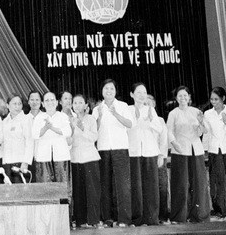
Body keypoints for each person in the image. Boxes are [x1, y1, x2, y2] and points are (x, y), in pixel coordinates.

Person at [92, 80, 134, 227]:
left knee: (123, 185)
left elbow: (130, 124)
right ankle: (107, 218)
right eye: (106, 88)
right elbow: (94, 131)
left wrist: (116, 114)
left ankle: (124, 218)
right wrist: (100, 117)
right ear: (102, 91)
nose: (108, 91)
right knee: (105, 185)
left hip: (120, 148)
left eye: (111, 88)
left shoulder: (122, 106)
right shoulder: (97, 109)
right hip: (103, 149)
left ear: (115, 91)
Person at [167, 86, 209, 223]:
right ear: (176, 98)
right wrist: (175, 144)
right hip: (180, 151)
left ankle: (199, 215)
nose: (183, 98)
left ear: (189, 97)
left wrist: (201, 122)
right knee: (181, 184)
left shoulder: (196, 111)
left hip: (195, 150)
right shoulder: (173, 113)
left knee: (199, 183)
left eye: (185, 96)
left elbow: (202, 132)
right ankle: (180, 216)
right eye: (180, 96)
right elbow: (169, 132)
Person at [128, 83, 164, 226]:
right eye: (138, 92)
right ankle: (137, 218)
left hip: (150, 151)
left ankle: (152, 218)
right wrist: (136, 120)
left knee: (151, 186)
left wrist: (150, 120)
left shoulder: (151, 110)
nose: (142, 95)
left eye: (144, 92)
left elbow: (159, 129)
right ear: (132, 94)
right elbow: (126, 128)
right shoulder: (128, 109)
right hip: (134, 152)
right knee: (136, 187)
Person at [32, 92, 72, 195]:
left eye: (52, 100)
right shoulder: (38, 118)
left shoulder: (62, 116)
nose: (50, 102)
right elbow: (35, 134)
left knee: (63, 190)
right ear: (43, 104)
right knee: (45, 190)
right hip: (43, 158)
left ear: (57, 102)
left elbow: (68, 132)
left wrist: (52, 128)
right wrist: (45, 128)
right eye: (47, 100)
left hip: (61, 158)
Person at [202, 87, 226, 218]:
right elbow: (207, 133)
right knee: (217, 180)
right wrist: (205, 149)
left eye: (216, 99)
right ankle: (220, 209)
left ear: (223, 98)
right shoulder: (208, 113)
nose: (213, 102)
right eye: (211, 99)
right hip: (214, 149)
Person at [70, 95, 101, 227]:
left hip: (90, 157)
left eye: (80, 102)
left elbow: (94, 137)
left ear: (85, 105)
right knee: (78, 190)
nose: (77, 105)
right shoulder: (69, 120)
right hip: (75, 158)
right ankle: (80, 220)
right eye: (75, 103)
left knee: (92, 190)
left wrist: (82, 128)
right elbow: (69, 140)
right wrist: (72, 128)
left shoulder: (90, 119)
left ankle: (93, 220)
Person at [148, 95, 171, 223]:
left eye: (149, 102)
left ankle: (162, 215)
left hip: (158, 156)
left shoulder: (160, 120)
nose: (147, 105)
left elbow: (164, 140)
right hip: (144, 157)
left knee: (162, 186)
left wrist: (161, 155)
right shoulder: (138, 118)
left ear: (155, 104)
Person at [1, 95, 32, 185]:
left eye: (19, 104)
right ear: (7, 105)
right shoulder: (5, 121)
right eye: (14, 104)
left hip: (20, 161)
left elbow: (29, 142)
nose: (17, 107)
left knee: (21, 192)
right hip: (7, 161)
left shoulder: (26, 119)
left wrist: (25, 162)